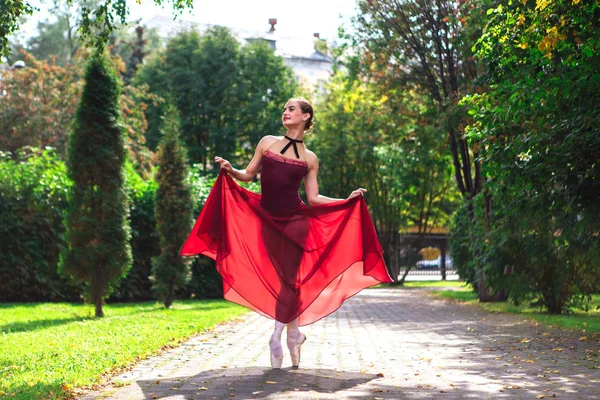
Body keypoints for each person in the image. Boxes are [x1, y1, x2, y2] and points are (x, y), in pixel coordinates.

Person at [180, 97, 392, 369]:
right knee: (285, 281)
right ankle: (295, 334)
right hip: (266, 220)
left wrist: (345, 201)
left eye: (292, 109)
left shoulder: (310, 158)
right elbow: (248, 175)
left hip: (295, 221)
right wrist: (231, 169)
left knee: (289, 280)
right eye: (284, 109)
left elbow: (314, 199)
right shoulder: (267, 142)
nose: (286, 112)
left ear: (305, 116)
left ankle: (276, 336)